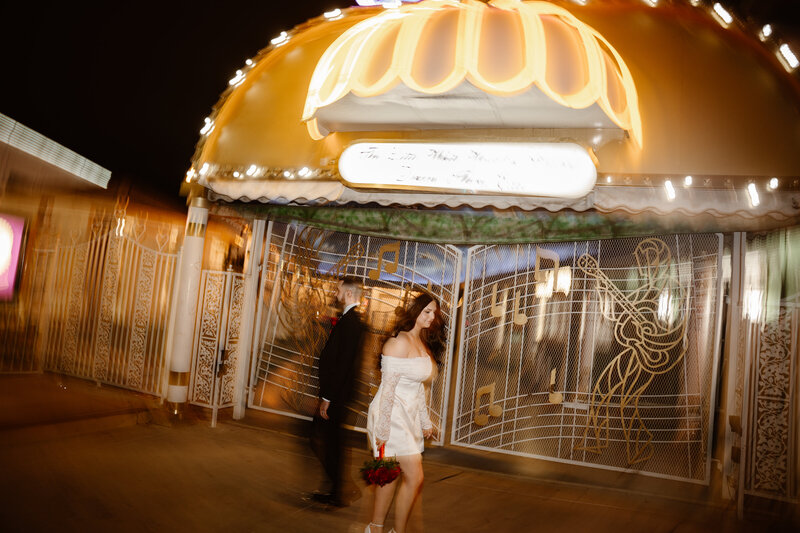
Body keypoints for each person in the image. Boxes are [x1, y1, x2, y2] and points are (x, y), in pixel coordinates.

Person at [364, 292, 444, 533]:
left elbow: (418, 389)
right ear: (415, 311)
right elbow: (388, 390)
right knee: (412, 475)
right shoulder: (398, 342)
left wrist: (424, 421)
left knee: (391, 477)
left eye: (434, 313)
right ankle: (381, 528)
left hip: (408, 416)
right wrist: (383, 429)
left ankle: (381, 529)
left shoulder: (420, 342)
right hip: (391, 415)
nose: (431, 317)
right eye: (427, 312)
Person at [311, 276, 365, 507]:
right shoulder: (350, 320)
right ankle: (337, 488)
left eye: (338, 290)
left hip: (337, 395)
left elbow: (342, 363)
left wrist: (327, 398)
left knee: (323, 439)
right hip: (339, 394)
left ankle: (338, 490)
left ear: (349, 294)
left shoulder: (351, 322)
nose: (336, 293)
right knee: (330, 440)